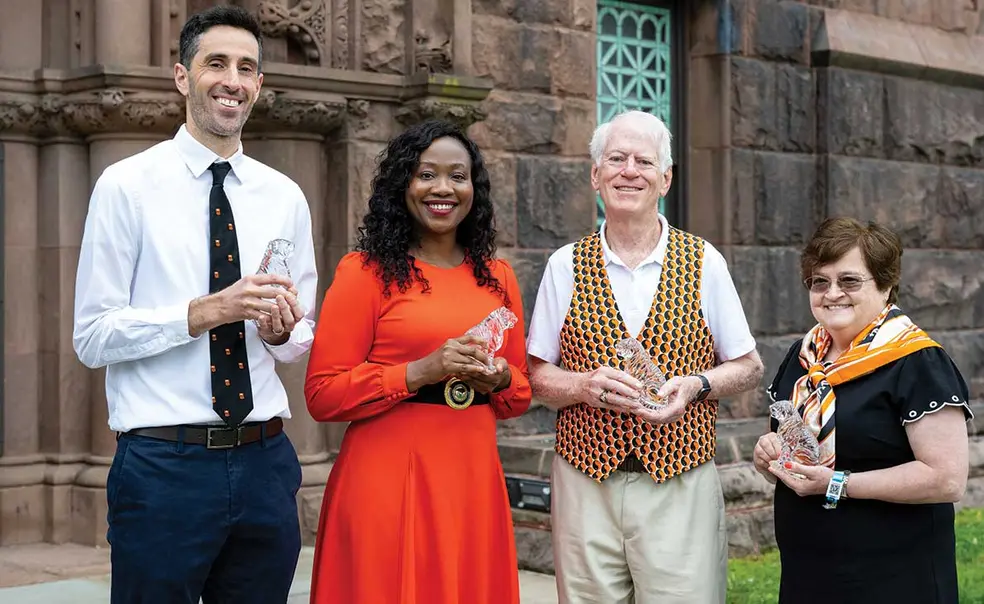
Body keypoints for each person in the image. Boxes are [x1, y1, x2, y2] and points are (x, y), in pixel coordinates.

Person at [72, 6, 317, 603]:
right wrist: (204, 312)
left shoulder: (283, 195)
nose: (232, 79)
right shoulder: (126, 186)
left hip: (264, 463)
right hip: (163, 467)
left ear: (259, 85)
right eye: (216, 63)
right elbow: (92, 335)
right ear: (183, 76)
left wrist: (285, 333)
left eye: (247, 68)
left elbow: (302, 334)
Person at [526, 109, 765, 604]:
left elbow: (748, 366)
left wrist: (696, 386)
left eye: (644, 161)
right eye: (615, 159)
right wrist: (582, 387)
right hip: (585, 481)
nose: (629, 170)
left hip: (680, 481)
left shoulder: (704, 261)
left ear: (665, 178)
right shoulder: (564, 265)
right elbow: (536, 374)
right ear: (595, 175)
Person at [304, 119, 531, 603]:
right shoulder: (364, 274)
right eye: (426, 174)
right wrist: (419, 372)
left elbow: (519, 396)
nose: (443, 188)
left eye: (458, 175)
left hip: (471, 479)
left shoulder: (498, 278)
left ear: (475, 188)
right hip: (386, 479)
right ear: (402, 184)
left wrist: (497, 378)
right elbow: (323, 395)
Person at [753, 218, 972, 604]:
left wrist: (835, 484)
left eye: (849, 281)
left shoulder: (917, 362)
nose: (832, 293)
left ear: (886, 285)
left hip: (893, 576)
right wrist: (768, 456)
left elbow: (946, 478)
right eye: (819, 281)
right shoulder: (803, 356)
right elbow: (798, 457)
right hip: (810, 573)